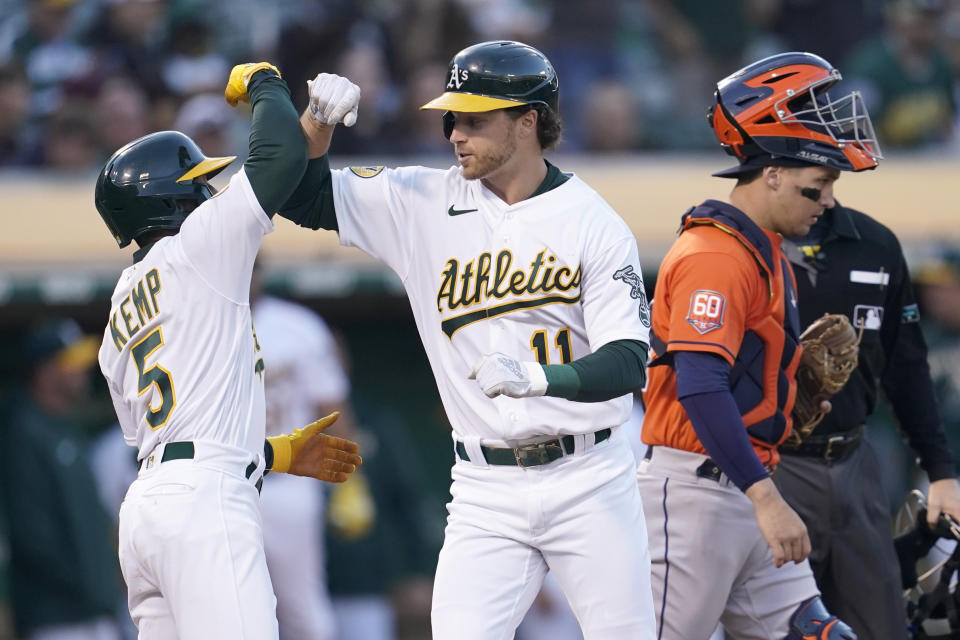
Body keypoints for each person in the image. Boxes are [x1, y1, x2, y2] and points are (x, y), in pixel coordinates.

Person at [275, 40, 656, 639]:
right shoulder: (421, 199)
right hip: (484, 486)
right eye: (453, 117)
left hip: (590, 476)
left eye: (476, 119)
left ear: (528, 121)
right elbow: (297, 193)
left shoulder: (592, 221)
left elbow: (631, 362)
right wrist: (315, 123)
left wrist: (539, 379)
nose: (455, 133)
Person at [93, 62, 362, 638]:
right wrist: (266, 82)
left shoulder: (121, 302)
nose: (208, 189)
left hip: (146, 511)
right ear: (170, 200)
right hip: (206, 503)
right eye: (197, 181)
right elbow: (281, 160)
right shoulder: (197, 247)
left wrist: (272, 455)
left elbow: (168, 439)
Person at [638, 51, 882, 639]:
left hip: (743, 483)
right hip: (695, 495)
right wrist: (767, 498)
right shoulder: (715, 255)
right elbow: (698, 385)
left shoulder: (763, 247)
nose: (827, 201)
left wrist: (778, 407)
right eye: (816, 185)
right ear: (770, 173)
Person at [774, 212, 960, 636]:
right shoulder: (740, 247)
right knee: (780, 618)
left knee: (883, 618)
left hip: (869, 467)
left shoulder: (877, 247)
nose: (938, 296)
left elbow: (908, 378)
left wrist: (941, 472)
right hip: (786, 464)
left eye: (945, 285)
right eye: (932, 287)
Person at [0, 318, 125, 640]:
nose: (82, 371)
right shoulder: (22, 433)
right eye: (71, 363)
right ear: (45, 372)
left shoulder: (67, 428)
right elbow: (33, 538)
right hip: (56, 618)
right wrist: (92, 585)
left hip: (95, 612)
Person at [251, 266, 347, 640]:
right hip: (226, 483)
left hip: (288, 484)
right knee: (229, 607)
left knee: (302, 610)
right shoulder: (201, 318)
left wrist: (349, 484)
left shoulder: (296, 325)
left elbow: (332, 406)